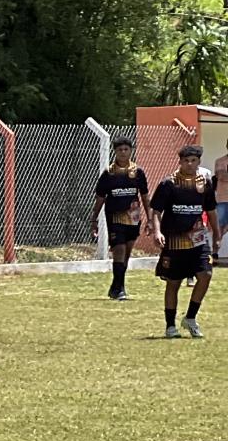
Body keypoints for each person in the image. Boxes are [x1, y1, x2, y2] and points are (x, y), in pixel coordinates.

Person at [150, 143, 218, 338]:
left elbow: (211, 210)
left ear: (199, 162)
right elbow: (156, 210)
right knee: (174, 282)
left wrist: (217, 234)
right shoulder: (169, 183)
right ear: (179, 162)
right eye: (186, 161)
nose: (189, 164)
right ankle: (170, 326)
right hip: (174, 241)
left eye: (193, 161)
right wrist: (157, 231)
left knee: (205, 275)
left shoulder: (204, 183)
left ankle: (190, 318)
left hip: (198, 239)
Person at [91, 137, 156, 300]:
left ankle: (116, 286)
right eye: (119, 150)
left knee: (126, 253)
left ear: (131, 151)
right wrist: (93, 219)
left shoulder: (138, 172)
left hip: (132, 218)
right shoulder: (108, 173)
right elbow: (100, 198)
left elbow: (145, 197)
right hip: (114, 217)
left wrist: (149, 219)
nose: (123, 153)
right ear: (115, 152)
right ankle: (119, 290)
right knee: (118, 250)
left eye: (126, 149)